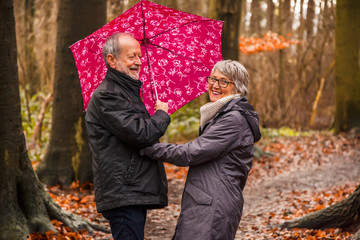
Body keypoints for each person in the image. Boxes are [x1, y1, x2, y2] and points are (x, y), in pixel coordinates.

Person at [141, 60, 261, 240]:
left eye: (223, 81)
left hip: (213, 203)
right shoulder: (222, 115)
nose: (214, 85)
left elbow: (191, 153)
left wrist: (147, 147)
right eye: (213, 79)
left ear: (237, 88)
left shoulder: (233, 120)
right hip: (206, 200)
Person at [85, 32, 171, 240]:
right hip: (123, 191)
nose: (139, 62)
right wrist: (162, 115)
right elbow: (142, 133)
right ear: (112, 60)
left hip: (131, 190)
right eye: (131, 57)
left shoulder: (127, 92)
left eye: (140, 56)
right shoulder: (108, 95)